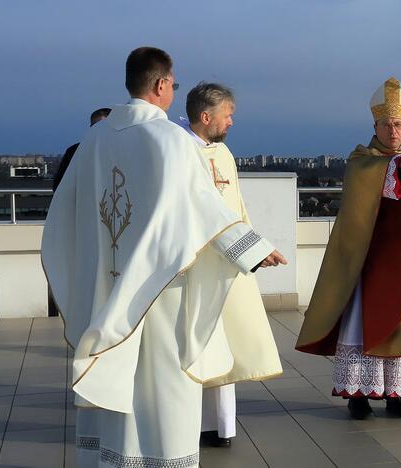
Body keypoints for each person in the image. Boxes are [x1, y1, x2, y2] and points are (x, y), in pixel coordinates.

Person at [41, 47, 286, 467]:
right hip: (161, 292)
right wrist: (254, 250)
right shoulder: (170, 140)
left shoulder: (94, 140)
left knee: (119, 383)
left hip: (107, 286)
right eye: (173, 83)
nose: (173, 89)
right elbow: (204, 208)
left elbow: (63, 216)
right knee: (164, 391)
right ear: (160, 85)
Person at [295, 77, 401, 419]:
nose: (392, 131)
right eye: (386, 125)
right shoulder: (363, 159)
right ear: (375, 125)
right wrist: (394, 168)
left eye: (398, 124)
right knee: (366, 325)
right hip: (374, 262)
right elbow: (366, 184)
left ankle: (397, 395)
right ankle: (358, 395)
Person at [180, 82, 282, 448]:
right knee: (197, 343)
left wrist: (254, 249)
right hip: (195, 265)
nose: (232, 122)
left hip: (230, 263)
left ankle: (220, 426)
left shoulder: (224, 154)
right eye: (228, 115)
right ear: (206, 116)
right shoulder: (180, 152)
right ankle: (189, 424)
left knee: (225, 343)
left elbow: (237, 210)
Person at [53, 107, 111, 191]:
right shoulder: (74, 152)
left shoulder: (125, 151)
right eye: (96, 127)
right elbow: (59, 185)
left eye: (104, 126)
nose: (99, 130)